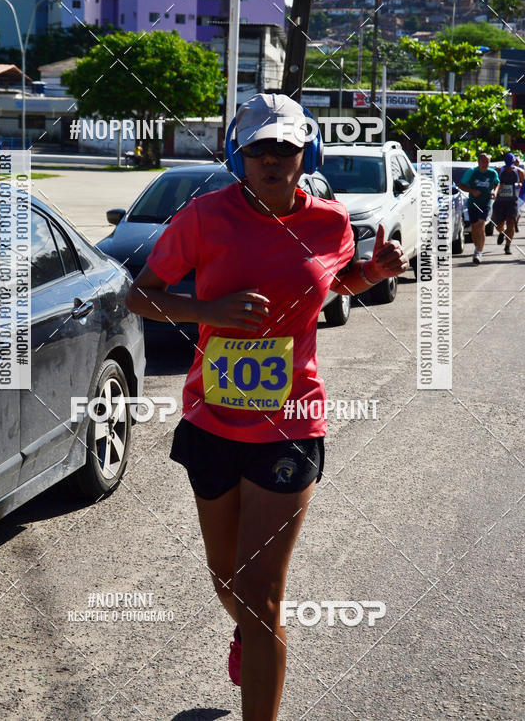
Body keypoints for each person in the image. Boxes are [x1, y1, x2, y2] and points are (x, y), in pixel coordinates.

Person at [125, 93, 408, 720]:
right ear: (239, 153)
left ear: (304, 150)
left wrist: (373, 273)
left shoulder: (330, 223)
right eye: (259, 148)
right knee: (226, 577)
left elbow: (332, 286)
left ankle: (258, 651)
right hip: (212, 419)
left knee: (262, 594)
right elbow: (139, 296)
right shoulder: (203, 218)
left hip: (292, 424)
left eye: (285, 146)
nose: (272, 159)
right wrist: (207, 312)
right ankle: (249, 636)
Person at [459, 153, 499, 264]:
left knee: (481, 225)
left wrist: (494, 192)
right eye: (483, 161)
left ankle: (479, 252)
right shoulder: (472, 172)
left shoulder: (492, 173)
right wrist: (472, 191)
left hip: (485, 203)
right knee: (474, 227)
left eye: (487, 162)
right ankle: (477, 247)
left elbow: (497, 183)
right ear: (478, 161)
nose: (485, 164)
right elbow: (461, 185)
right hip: (473, 203)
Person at [493, 153, 525, 254]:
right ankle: (502, 232)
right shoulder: (499, 170)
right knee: (498, 225)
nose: (509, 168)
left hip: (512, 202)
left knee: (511, 223)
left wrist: (519, 186)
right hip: (500, 202)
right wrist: (498, 187)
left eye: (510, 165)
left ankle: (507, 246)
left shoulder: (519, 172)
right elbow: (494, 184)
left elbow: (523, 186)